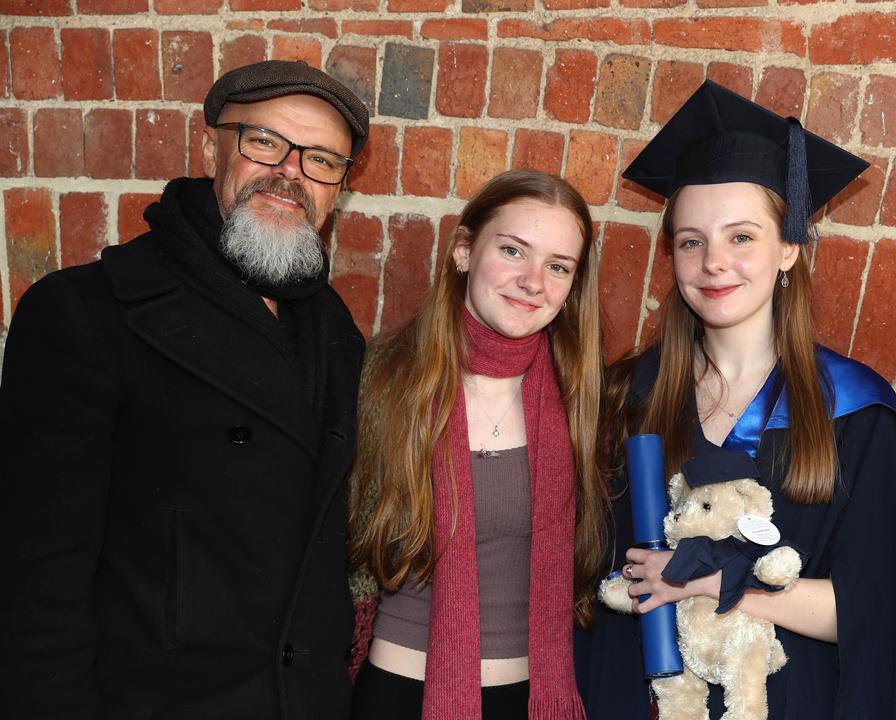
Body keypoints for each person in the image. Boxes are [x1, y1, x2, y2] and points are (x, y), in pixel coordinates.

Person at [0, 60, 370, 718]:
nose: (290, 172)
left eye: (321, 160)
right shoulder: (87, 314)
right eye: (264, 142)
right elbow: (36, 594)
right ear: (210, 148)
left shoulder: (337, 332)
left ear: (338, 189)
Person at [575, 81, 896, 719]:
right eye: (692, 241)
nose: (715, 262)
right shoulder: (625, 397)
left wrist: (717, 583)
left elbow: (876, 612)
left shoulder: (855, 412)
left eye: (742, 237)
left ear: (789, 249)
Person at [345, 169, 605, 720]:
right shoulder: (381, 377)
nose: (534, 282)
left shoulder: (582, 398)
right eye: (513, 251)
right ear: (464, 251)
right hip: (396, 693)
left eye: (558, 267)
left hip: (533, 698)